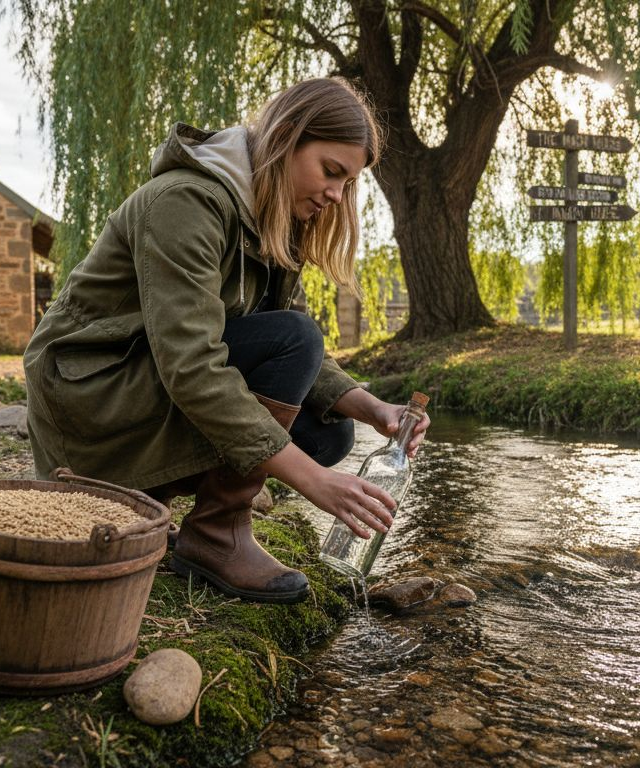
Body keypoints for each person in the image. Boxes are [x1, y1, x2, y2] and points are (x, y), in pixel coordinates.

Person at [23, 77, 429, 605]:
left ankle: (164, 506)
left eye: (348, 184)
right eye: (331, 172)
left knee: (329, 434)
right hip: (90, 395)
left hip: (142, 381)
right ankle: (216, 532)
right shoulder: (185, 202)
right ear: (286, 138)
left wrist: (375, 408)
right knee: (299, 367)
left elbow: (293, 351)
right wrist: (313, 483)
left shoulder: (271, 222)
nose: (336, 195)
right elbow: (192, 362)